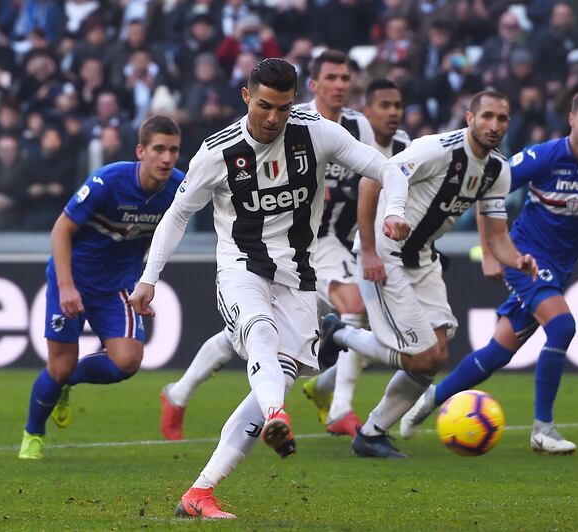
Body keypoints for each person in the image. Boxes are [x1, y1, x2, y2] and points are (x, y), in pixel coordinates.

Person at [127, 58, 410, 519]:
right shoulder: (217, 153)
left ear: (294, 100)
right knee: (259, 333)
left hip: (299, 276)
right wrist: (148, 279)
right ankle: (279, 412)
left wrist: (395, 211)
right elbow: (177, 215)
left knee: (271, 379)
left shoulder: (317, 132)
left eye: (282, 107)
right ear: (246, 97)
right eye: (264, 106)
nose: (273, 117)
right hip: (241, 265)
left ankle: (200, 493)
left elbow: (389, 169)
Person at [400, 89, 578, 455]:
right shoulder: (543, 156)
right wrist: (489, 254)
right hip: (524, 257)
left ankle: (428, 399)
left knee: (497, 354)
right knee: (563, 325)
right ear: (571, 120)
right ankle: (543, 428)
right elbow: (488, 191)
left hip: (561, 267)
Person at [155, 50, 380, 441]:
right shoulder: (292, 119)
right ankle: (336, 402)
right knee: (336, 310)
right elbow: (179, 212)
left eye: (346, 78)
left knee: (246, 335)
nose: (341, 85)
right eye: (332, 77)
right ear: (314, 85)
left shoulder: (355, 126)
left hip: (312, 251)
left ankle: (180, 392)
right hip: (296, 244)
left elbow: (376, 174)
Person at [318, 90, 538, 458]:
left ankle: (371, 434)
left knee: (435, 357)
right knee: (418, 353)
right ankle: (341, 334)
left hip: (421, 258)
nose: (494, 125)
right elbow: (373, 180)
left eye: (501, 119)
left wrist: (518, 260)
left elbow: (498, 239)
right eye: (486, 116)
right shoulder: (439, 149)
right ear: (469, 118)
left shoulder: (498, 170)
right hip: (385, 255)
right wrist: (369, 248)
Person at [17, 115, 184, 460]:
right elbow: (61, 230)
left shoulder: (179, 190)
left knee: (127, 361)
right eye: (159, 149)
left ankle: (69, 382)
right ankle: (33, 434)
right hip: (73, 279)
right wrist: (66, 287)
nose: (167, 158)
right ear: (141, 151)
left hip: (117, 287)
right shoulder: (107, 182)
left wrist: (146, 281)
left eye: (173, 150)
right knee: (58, 366)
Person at [304, 78, 412, 437]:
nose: (393, 113)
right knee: (354, 311)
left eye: (398, 106)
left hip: (364, 247)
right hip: (326, 242)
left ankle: (325, 391)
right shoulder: (348, 140)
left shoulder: (405, 148)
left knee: (367, 325)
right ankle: (338, 408)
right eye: (385, 105)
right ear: (366, 113)